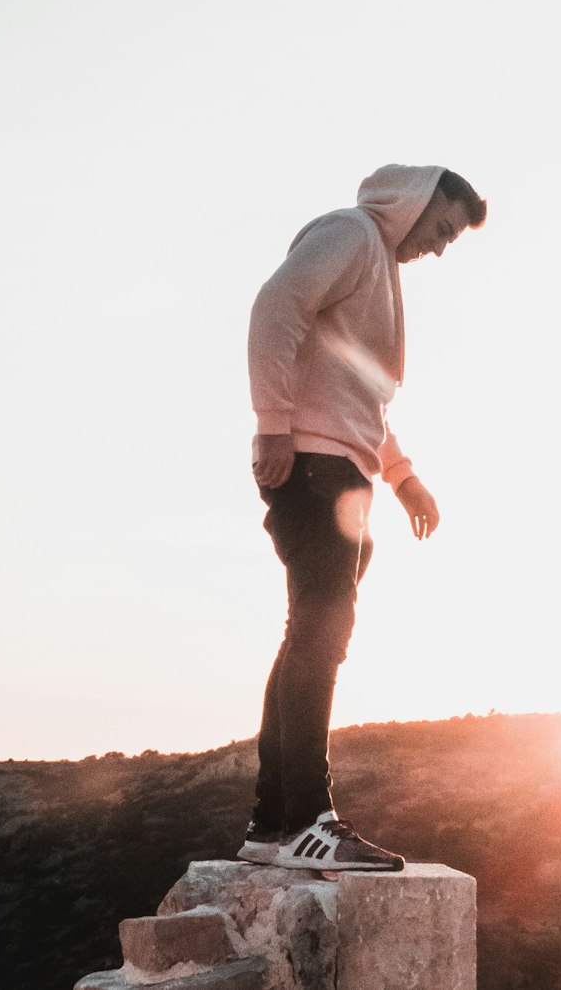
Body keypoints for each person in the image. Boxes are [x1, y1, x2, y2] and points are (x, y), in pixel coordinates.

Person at [238, 164, 486, 872]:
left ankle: (270, 824)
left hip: (342, 468)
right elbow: (275, 305)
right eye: (440, 229)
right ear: (417, 201)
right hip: (311, 465)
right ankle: (308, 822)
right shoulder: (349, 234)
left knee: (311, 639)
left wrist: (403, 479)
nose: (438, 248)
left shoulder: (378, 265)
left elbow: (364, 398)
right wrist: (272, 423)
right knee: (318, 636)